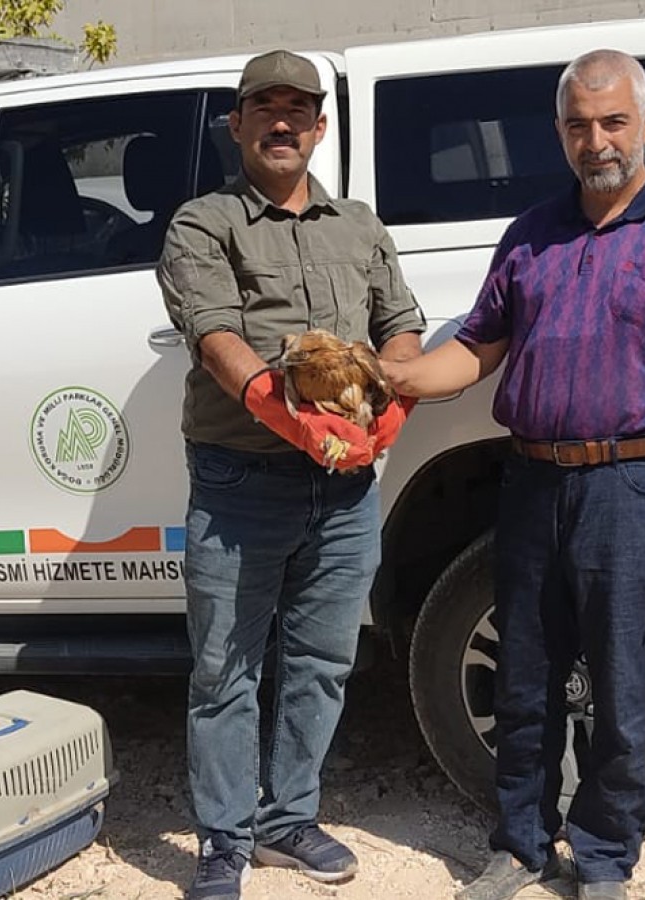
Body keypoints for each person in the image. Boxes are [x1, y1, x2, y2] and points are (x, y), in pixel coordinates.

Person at [381, 49, 645, 900]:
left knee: (624, 682)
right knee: (525, 676)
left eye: (614, 122)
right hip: (531, 485)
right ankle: (517, 844)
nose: (598, 141)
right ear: (560, 133)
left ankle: (603, 855)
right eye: (580, 126)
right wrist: (401, 376)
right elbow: (476, 349)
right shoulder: (530, 235)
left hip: (637, 489)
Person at [154, 49, 425, 900]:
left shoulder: (359, 227)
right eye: (262, 108)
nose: (281, 122)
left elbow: (401, 329)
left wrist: (389, 410)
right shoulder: (203, 224)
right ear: (236, 125)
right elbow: (215, 336)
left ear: (319, 126)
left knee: (320, 661)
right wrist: (293, 418)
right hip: (243, 483)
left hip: (345, 490)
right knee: (224, 671)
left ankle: (286, 821)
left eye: (297, 109)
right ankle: (224, 840)